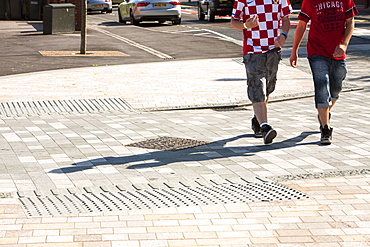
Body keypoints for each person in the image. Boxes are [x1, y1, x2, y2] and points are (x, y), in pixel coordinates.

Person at [289, 0, 358, 145]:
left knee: (336, 88)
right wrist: (294, 51)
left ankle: (323, 113)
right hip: (317, 51)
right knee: (322, 86)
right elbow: (302, 25)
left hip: (338, 52)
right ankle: (325, 128)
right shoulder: (310, 2)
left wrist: (344, 44)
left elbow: (350, 22)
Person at [231, 0, 292, 144]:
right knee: (256, 86)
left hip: (273, 50)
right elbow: (234, 21)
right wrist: (246, 25)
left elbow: (286, 18)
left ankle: (257, 118)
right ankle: (265, 126)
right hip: (253, 51)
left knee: (269, 87)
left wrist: (283, 35)